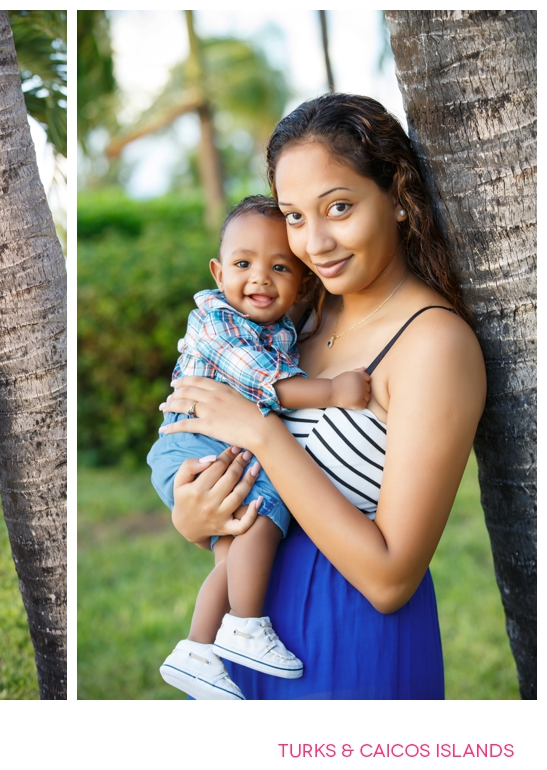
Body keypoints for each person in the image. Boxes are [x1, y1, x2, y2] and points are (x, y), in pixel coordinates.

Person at [159, 93, 485, 699]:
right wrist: (195, 516)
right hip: (249, 636)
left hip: (350, 639)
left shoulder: (433, 344)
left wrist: (261, 432)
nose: (316, 243)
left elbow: (391, 578)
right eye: (295, 216)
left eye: (339, 207)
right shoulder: (295, 318)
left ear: (398, 199)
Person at [148, 195, 372, 700]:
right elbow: (262, 383)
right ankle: (245, 624)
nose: (260, 279)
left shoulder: (283, 326)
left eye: (279, 268)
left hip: (214, 442)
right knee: (265, 498)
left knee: (233, 558)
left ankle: (199, 650)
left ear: (301, 280)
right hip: (194, 441)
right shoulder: (219, 320)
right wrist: (333, 391)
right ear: (217, 270)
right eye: (243, 264)